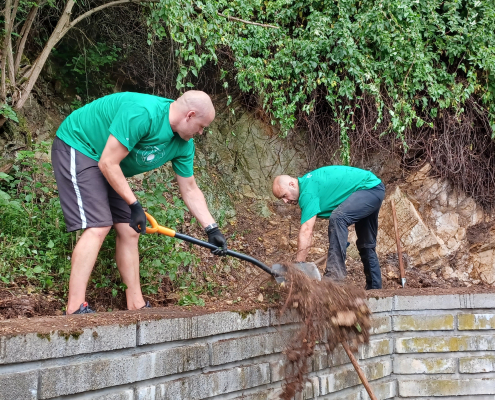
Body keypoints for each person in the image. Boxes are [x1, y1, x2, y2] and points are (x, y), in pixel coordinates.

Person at [52, 90, 228, 314]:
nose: (201, 132)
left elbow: (190, 189)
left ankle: (136, 305)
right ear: (190, 115)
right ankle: (75, 309)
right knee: (99, 225)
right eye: (202, 126)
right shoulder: (144, 113)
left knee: (129, 230)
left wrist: (211, 228)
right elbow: (107, 163)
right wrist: (134, 205)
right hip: (80, 145)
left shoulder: (183, 145)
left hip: (109, 162)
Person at [272, 166, 385, 289]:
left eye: (284, 195)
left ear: (292, 184)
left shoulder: (307, 192)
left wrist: (299, 266)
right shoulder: (309, 183)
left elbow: (306, 231)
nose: (285, 201)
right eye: (281, 199)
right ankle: (375, 289)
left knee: (338, 218)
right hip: (373, 189)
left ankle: (334, 279)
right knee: (366, 245)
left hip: (369, 189)